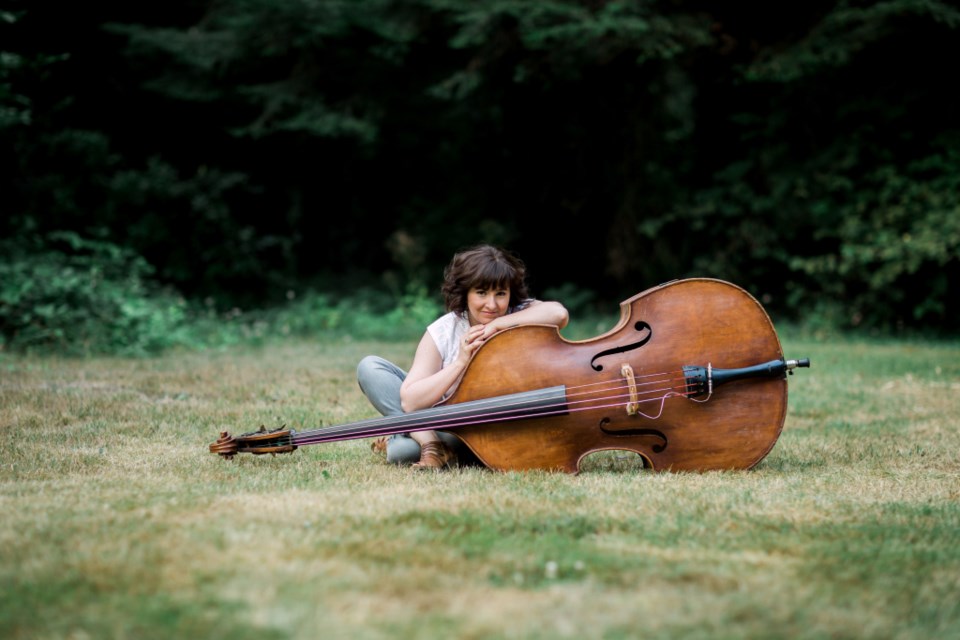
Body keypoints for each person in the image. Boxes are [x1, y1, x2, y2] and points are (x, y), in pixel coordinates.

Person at [356, 244, 569, 470]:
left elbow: (559, 313)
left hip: (490, 426)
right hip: (445, 415)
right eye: (481, 293)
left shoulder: (519, 313)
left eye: (501, 293)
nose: (492, 304)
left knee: (401, 452)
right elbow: (411, 401)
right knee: (370, 368)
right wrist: (460, 362)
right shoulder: (444, 331)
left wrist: (497, 325)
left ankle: (404, 434)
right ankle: (430, 444)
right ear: (465, 293)